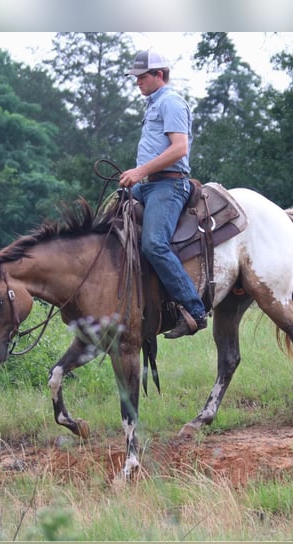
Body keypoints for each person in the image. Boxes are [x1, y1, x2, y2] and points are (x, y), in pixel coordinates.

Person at [119, 49, 207, 339]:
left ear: (159, 75)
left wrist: (139, 172)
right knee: (108, 225)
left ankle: (194, 310)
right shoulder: (153, 104)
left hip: (169, 185)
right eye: (136, 77)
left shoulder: (170, 102)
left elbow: (180, 148)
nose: (137, 82)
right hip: (149, 184)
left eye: (142, 77)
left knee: (154, 244)